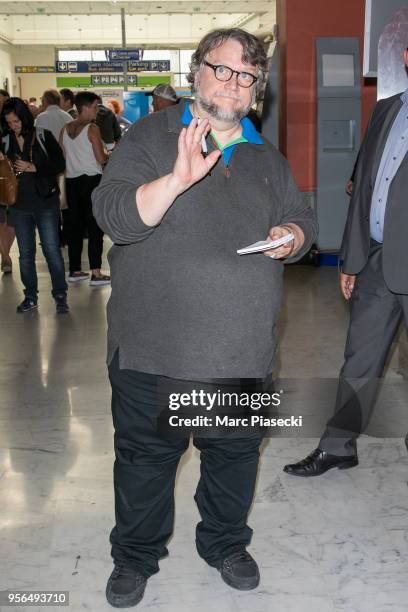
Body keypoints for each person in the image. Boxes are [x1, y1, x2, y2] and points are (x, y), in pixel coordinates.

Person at [92, 27, 317, 608]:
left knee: (235, 459)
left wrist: (292, 236)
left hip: (242, 355)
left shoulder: (265, 154)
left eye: (247, 75)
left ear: (255, 87)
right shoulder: (151, 135)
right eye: (223, 69)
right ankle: (135, 556)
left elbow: (301, 218)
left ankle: (223, 543)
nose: (234, 83)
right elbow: (115, 215)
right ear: (197, 71)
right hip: (153, 353)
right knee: (145, 466)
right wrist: (176, 179)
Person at [284, 47, 408, 478]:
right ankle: (338, 446)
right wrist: (351, 258)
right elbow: (364, 184)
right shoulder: (387, 110)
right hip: (375, 259)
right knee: (360, 360)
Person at [0, 97, 68, 313]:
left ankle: (60, 295)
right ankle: (30, 296)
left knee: (51, 251)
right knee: (25, 254)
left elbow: (59, 164)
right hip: (19, 205)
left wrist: (34, 167)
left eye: (16, 122)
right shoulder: (5, 141)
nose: (13, 126)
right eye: (9, 123)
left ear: (25, 118)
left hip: (45, 203)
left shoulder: (42, 136)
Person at [60, 91, 110, 286]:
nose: (97, 110)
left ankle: (74, 270)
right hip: (91, 182)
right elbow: (100, 158)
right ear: (86, 107)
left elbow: (63, 158)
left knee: (74, 227)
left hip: (71, 182)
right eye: (96, 106)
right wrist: (108, 154)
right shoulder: (92, 129)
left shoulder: (64, 129)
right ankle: (96, 272)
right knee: (94, 227)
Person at [0, 88, 15, 274]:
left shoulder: (14, 124)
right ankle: (5, 257)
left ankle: (6, 253)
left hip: (12, 176)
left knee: (12, 222)